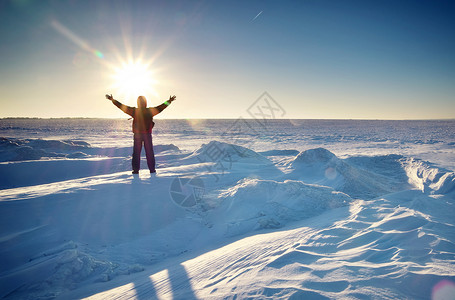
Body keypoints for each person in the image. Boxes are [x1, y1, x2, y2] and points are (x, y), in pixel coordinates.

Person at [105, 94, 176, 174]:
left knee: (136, 153)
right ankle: (152, 170)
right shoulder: (150, 111)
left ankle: (135, 171)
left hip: (137, 135)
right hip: (147, 135)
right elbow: (161, 107)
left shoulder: (134, 111)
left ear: (138, 103)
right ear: (145, 102)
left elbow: (122, 106)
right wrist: (169, 101)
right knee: (149, 152)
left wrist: (113, 100)